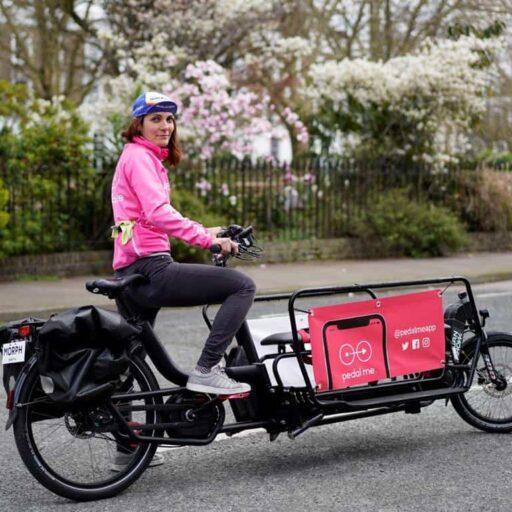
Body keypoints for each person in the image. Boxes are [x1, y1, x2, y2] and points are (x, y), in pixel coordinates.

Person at [111, 91, 256, 397]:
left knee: (128, 360)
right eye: (155, 119)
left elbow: (146, 218)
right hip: (150, 268)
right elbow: (158, 212)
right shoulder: (139, 158)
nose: (165, 126)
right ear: (139, 124)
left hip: (130, 270)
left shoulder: (138, 156)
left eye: (169, 119)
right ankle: (207, 370)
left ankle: (127, 438)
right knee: (241, 286)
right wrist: (206, 239)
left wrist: (211, 231)